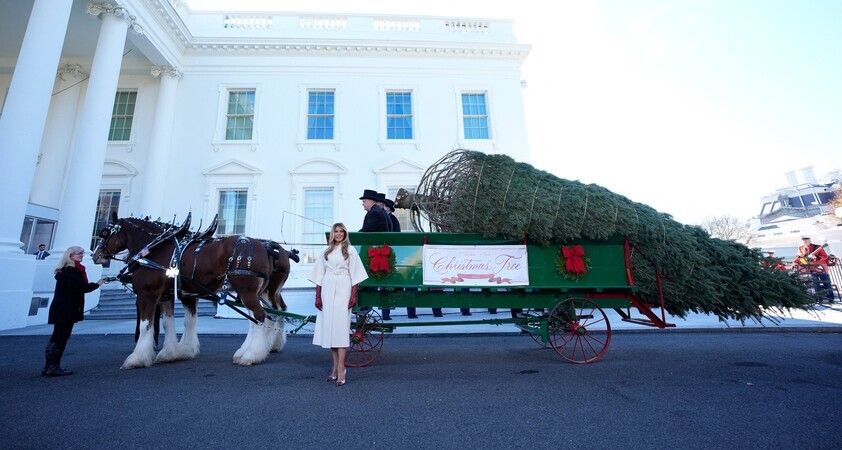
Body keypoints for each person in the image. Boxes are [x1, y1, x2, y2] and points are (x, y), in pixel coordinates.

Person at [309, 223, 368, 387]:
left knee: (340, 329)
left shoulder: (350, 250)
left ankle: (342, 369)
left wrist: (353, 295)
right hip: (327, 288)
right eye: (336, 231)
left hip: (344, 287)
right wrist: (318, 296)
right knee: (330, 329)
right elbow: (319, 275)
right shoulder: (325, 251)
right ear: (332, 233)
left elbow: (356, 275)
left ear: (345, 234)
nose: (339, 234)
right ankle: (334, 369)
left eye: (342, 231)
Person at [43, 246, 106, 376]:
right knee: (61, 337)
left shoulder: (65, 270)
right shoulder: (71, 271)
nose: (81, 255)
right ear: (70, 256)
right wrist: (97, 284)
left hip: (61, 308)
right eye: (78, 254)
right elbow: (81, 287)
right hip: (66, 309)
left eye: (82, 253)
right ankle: (53, 367)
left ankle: (49, 366)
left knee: (56, 336)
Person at [795, 236, 834, 303]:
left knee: (826, 283)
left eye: (806, 240)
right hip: (810, 269)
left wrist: (816, 257)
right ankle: (819, 299)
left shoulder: (818, 247)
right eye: (803, 241)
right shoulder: (801, 248)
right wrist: (798, 257)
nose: (804, 242)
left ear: (809, 240)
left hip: (821, 268)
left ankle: (830, 299)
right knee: (815, 284)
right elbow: (798, 258)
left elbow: (825, 256)